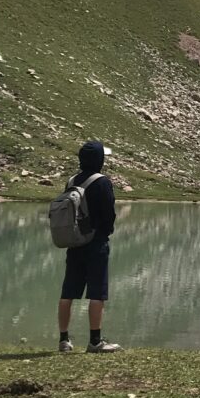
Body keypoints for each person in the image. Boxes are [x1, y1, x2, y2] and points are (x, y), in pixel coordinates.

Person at [58, 140, 121, 353]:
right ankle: (95, 341)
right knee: (97, 293)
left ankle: (63, 340)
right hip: (96, 243)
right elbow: (108, 214)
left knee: (68, 292)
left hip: (75, 242)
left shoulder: (72, 181)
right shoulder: (102, 182)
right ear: (99, 159)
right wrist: (105, 231)